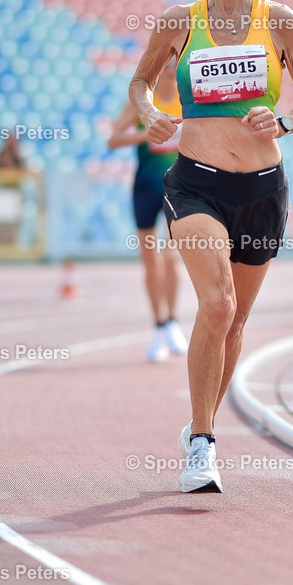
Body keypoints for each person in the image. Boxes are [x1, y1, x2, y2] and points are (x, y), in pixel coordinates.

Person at [129, 0, 293, 493]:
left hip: (264, 190)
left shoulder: (282, 21)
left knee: (236, 319)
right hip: (196, 184)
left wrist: (286, 122)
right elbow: (140, 82)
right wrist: (152, 114)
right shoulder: (177, 21)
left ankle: (198, 426)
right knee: (215, 306)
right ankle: (205, 445)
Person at [107, 60, 188, 362]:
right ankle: (159, 326)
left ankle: (174, 321)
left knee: (170, 257)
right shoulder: (144, 103)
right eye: (165, 69)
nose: (170, 74)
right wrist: (147, 131)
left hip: (177, 188)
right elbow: (113, 139)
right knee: (150, 262)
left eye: (174, 69)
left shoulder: (187, 100)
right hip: (144, 188)